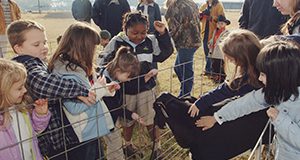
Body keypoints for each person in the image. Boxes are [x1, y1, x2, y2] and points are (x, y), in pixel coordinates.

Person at [7, 20, 96, 159]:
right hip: (53, 137)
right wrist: (80, 90)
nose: (44, 47)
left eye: (45, 42)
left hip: (54, 134)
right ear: (18, 48)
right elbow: (42, 84)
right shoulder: (27, 65)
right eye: (36, 44)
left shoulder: (36, 62)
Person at [197, 40, 300, 160]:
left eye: (263, 74)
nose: (260, 79)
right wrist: (217, 117)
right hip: (283, 151)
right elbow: (247, 103)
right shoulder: (275, 91)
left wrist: (279, 119)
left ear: (280, 75)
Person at [187, 29, 271, 160]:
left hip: (264, 117)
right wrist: (205, 100)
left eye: (232, 59)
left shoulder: (254, 75)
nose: (232, 63)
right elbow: (229, 88)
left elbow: (230, 91)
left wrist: (206, 105)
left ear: (243, 56)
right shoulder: (259, 60)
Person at [100, 11, 174, 159]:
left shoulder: (150, 41)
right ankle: (128, 145)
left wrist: (163, 34)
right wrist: (114, 76)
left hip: (146, 89)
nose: (140, 36)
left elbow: (165, 53)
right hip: (125, 91)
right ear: (125, 29)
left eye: (143, 32)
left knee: (150, 119)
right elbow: (102, 62)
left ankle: (156, 147)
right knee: (128, 121)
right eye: (135, 33)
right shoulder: (117, 42)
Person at [48, 22, 121, 160]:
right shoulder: (67, 74)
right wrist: (98, 90)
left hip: (89, 128)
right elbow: (74, 107)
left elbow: (89, 90)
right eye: (93, 47)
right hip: (81, 134)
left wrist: (105, 90)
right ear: (83, 47)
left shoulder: (77, 66)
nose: (95, 51)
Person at [0, 58, 51, 160]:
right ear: (2, 91)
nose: (25, 90)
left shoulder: (21, 110)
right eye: (19, 88)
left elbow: (35, 130)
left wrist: (40, 115)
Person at [100, 46, 144, 160]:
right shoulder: (106, 85)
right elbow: (114, 107)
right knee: (116, 147)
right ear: (118, 71)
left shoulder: (112, 76)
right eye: (128, 77)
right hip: (106, 121)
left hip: (109, 119)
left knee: (113, 145)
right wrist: (131, 114)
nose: (129, 80)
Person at [165, 0, 201, 97]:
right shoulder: (192, 3)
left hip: (185, 43)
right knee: (178, 67)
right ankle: (186, 87)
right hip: (195, 40)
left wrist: (166, 39)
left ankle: (185, 95)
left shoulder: (174, 7)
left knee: (186, 69)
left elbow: (174, 28)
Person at [199, 0, 225, 75]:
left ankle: (210, 70)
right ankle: (208, 69)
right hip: (205, 32)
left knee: (212, 52)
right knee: (206, 51)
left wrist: (211, 17)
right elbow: (199, 17)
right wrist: (201, 14)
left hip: (214, 33)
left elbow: (222, 18)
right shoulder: (203, 5)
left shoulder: (218, 5)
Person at [207, 15, 230, 83]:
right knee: (214, 65)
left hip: (220, 52)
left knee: (220, 66)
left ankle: (222, 79)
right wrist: (210, 43)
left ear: (225, 24)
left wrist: (217, 43)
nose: (220, 25)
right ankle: (216, 77)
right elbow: (213, 39)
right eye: (218, 23)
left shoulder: (226, 32)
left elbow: (223, 40)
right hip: (214, 51)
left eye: (222, 23)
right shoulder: (215, 31)